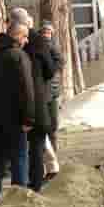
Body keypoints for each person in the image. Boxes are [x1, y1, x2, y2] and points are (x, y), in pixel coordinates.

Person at [0, 22, 35, 202]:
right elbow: (26, 89)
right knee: (19, 156)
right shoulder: (18, 55)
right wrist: (29, 118)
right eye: (25, 37)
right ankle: (19, 195)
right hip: (14, 118)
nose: (26, 41)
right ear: (17, 35)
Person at [22, 16, 57, 192]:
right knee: (36, 145)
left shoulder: (7, 43)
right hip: (37, 100)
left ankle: (30, 181)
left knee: (30, 145)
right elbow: (50, 70)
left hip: (19, 102)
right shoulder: (38, 43)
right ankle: (34, 183)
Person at [39, 21, 65, 181]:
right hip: (42, 93)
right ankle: (47, 164)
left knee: (53, 127)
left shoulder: (55, 48)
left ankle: (53, 159)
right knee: (44, 128)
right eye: (44, 31)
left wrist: (52, 71)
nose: (47, 34)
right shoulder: (36, 46)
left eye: (49, 31)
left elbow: (60, 63)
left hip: (53, 92)